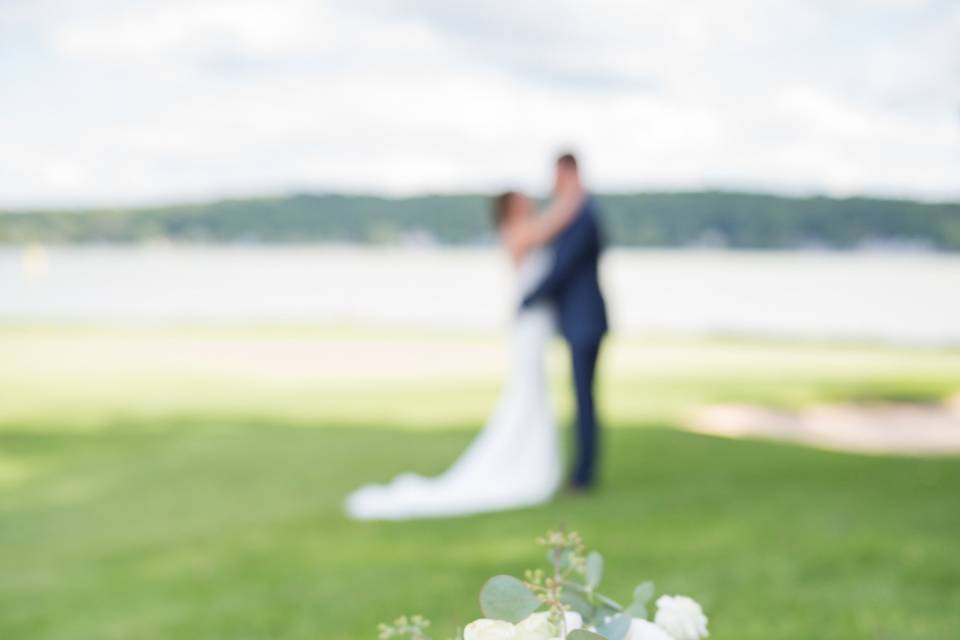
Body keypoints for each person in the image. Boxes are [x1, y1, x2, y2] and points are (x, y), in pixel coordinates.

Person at [344, 181, 584, 520]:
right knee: (527, 394)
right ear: (510, 208)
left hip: (535, 327)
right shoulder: (518, 232)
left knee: (534, 395)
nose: (529, 201)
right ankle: (527, 470)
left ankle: (535, 466)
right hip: (527, 329)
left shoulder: (523, 229)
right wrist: (573, 198)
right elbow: (553, 225)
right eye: (521, 199)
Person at [515, 153, 608, 490]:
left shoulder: (583, 214)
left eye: (556, 175)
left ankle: (583, 476)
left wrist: (529, 298)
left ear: (569, 172)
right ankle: (578, 471)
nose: (552, 182)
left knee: (584, 397)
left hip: (586, 320)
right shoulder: (571, 212)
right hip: (575, 319)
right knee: (579, 396)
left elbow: (562, 267)